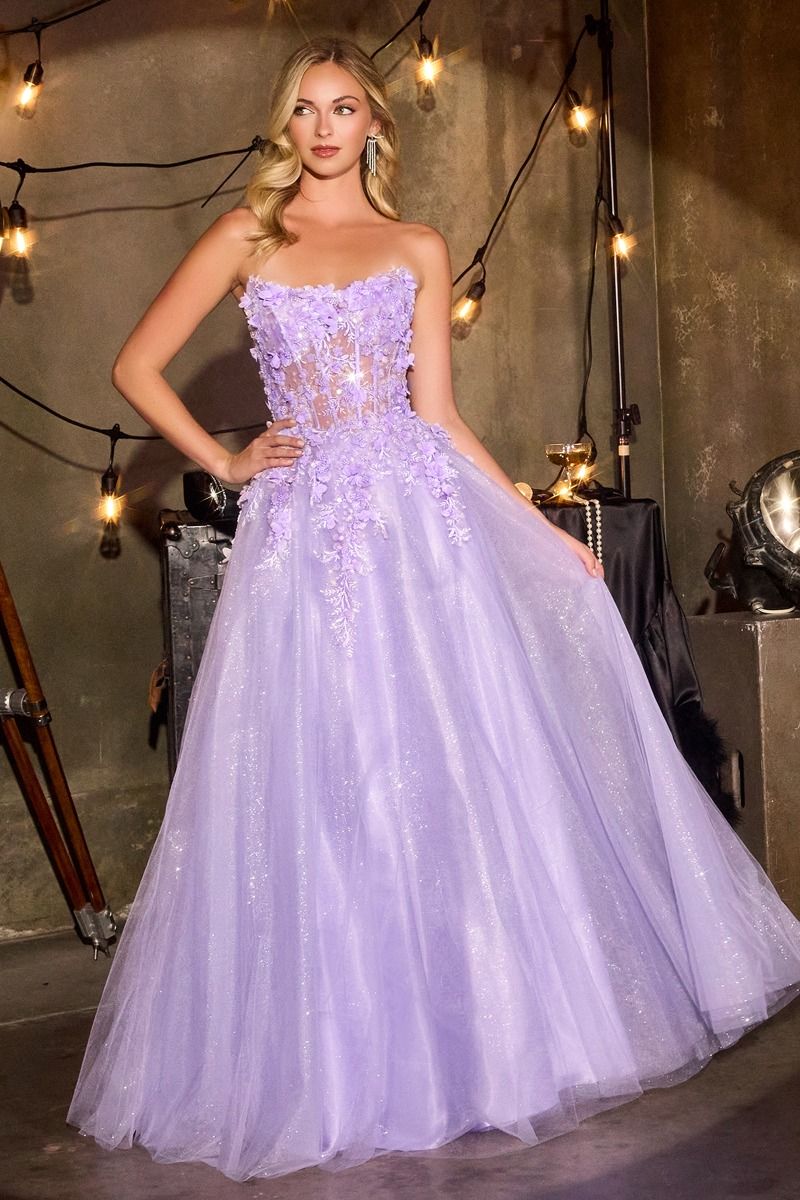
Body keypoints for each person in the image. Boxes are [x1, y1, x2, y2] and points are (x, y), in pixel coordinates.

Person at [67, 35, 800, 1184]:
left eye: (342, 108)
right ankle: (337, 1062)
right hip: (301, 543)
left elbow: (438, 417)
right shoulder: (248, 235)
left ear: (373, 123)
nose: (322, 128)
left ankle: (477, 1051)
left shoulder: (415, 244)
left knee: (445, 771)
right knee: (317, 780)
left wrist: (539, 530)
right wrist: (228, 459)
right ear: (284, 124)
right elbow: (134, 366)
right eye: (303, 109)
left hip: (417, 535)